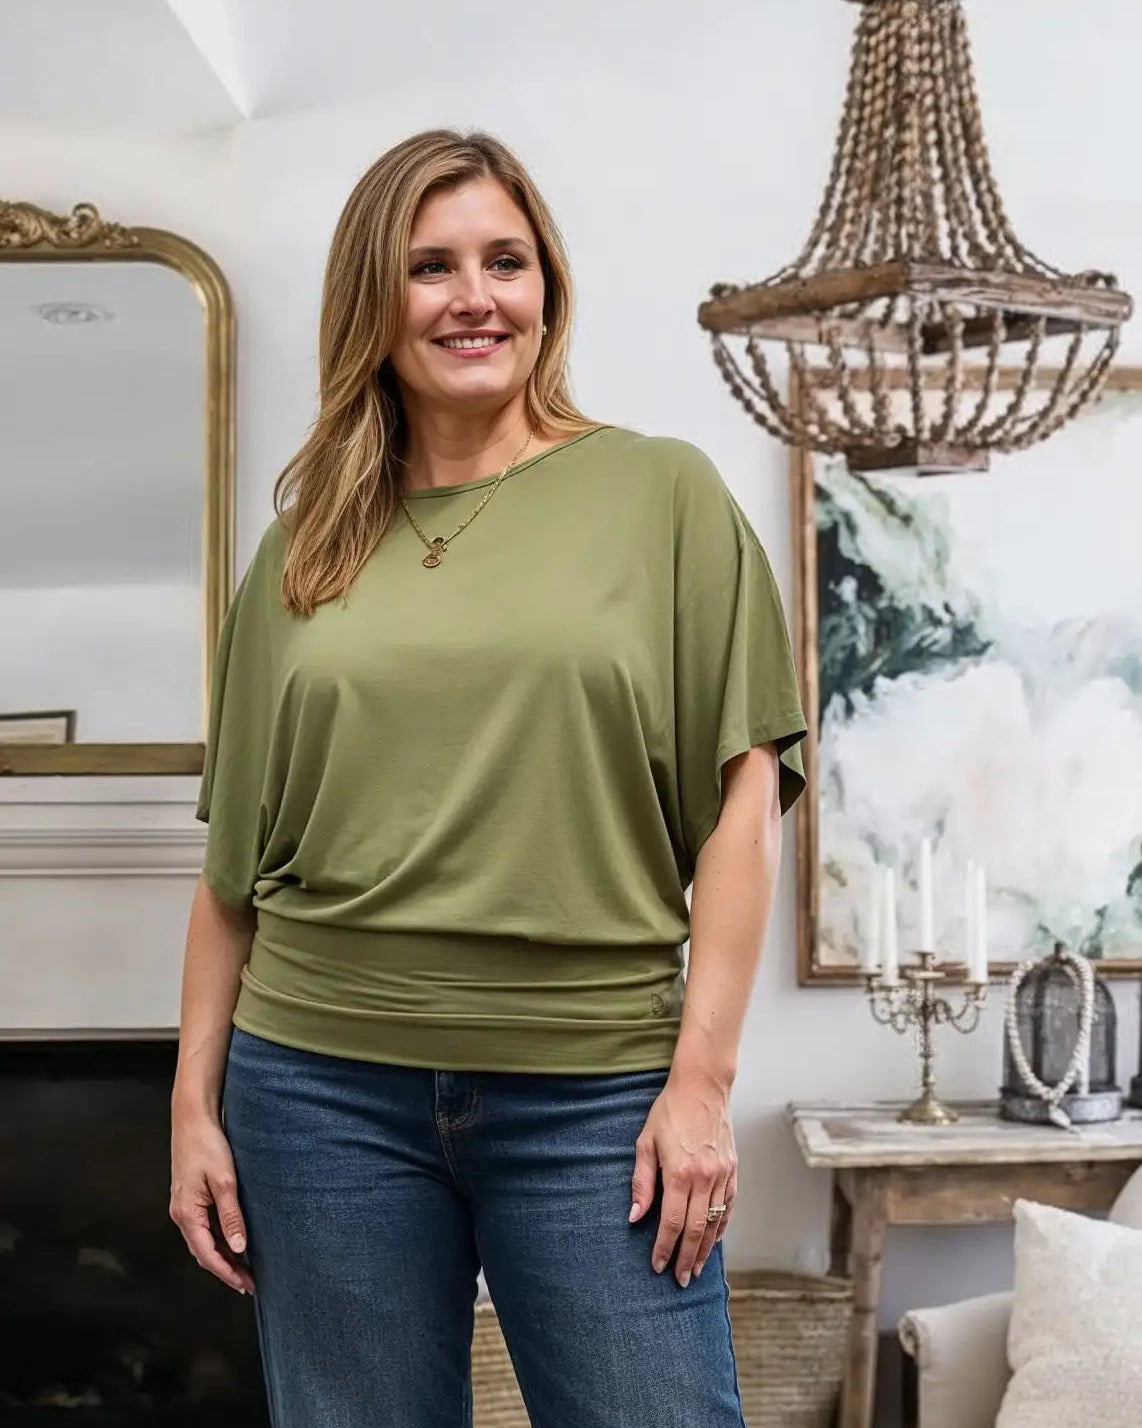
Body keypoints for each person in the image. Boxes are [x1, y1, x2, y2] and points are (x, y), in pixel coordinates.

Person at [169, 127, 808, 1428]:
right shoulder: (305, 548)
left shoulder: (659, 496)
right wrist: (190, 1108)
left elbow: (743, 811)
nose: (474, 296)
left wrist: (699, 1087)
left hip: (593, 1094)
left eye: (503, 260)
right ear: (373, 301)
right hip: (317, 1087)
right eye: (430, 266)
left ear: (547, 286)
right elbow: (233, 870)